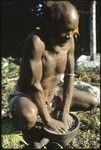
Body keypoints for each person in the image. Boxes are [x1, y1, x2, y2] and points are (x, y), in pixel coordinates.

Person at [8, 1, 99, 134]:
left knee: (92, 101)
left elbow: (70, 76)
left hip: (52, 96)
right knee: (28, 117)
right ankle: (31, 119)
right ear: (52, 26)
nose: (70, 35)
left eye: (73, 30)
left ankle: (52, 111)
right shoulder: (36, 42)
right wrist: (48, 120)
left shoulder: (69, 41)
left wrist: (65, 111)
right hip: (27, 97)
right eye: (66, 30)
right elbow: (34, 85)